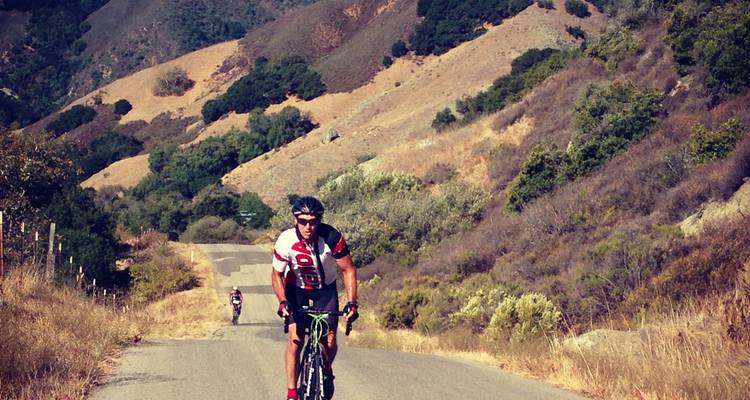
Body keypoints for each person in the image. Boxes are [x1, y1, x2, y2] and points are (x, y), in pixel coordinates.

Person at [271, 196, 358, 400]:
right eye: (303, 221)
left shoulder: (332, 237)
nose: (308, 226)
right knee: (295, 339)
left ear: (319, 220)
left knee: (328, 340)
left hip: (325, 291)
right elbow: (277, 274)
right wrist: (283, 301)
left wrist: (352, 302)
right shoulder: (286, 240)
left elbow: (348, 270)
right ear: (295, 220)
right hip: (296, 290)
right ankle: (292, 392)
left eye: (313, 221)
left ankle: (326, 370)